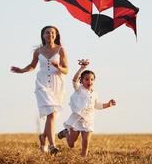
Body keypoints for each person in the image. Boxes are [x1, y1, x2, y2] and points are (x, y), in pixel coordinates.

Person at [11, 26, 68, 155]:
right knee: (51, 113)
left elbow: (66, 70)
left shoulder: (61, 50)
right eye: (47, 33)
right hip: (42, 84)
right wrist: (21, 70)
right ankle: (53, 146)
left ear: (56, 35)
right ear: (43, 35)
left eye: (53, 33)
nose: (50, 35)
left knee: (52, 116)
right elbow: (32, 65)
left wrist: (58, 66)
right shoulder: (38, 51)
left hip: (57, 84)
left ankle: (43, 137)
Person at [57, 59, 116, 157]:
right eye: (86, 79)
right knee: (71, 144)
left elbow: (97, 105)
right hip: (76, 119)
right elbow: (74, 80)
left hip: (88, 120)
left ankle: (83, 158)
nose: (89, 81)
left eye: (92, 79)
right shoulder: (79, 89)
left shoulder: (95, 93)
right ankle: (66, 133)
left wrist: (108, 104)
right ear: (82, 80)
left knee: (86, 141)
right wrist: (82, 68)